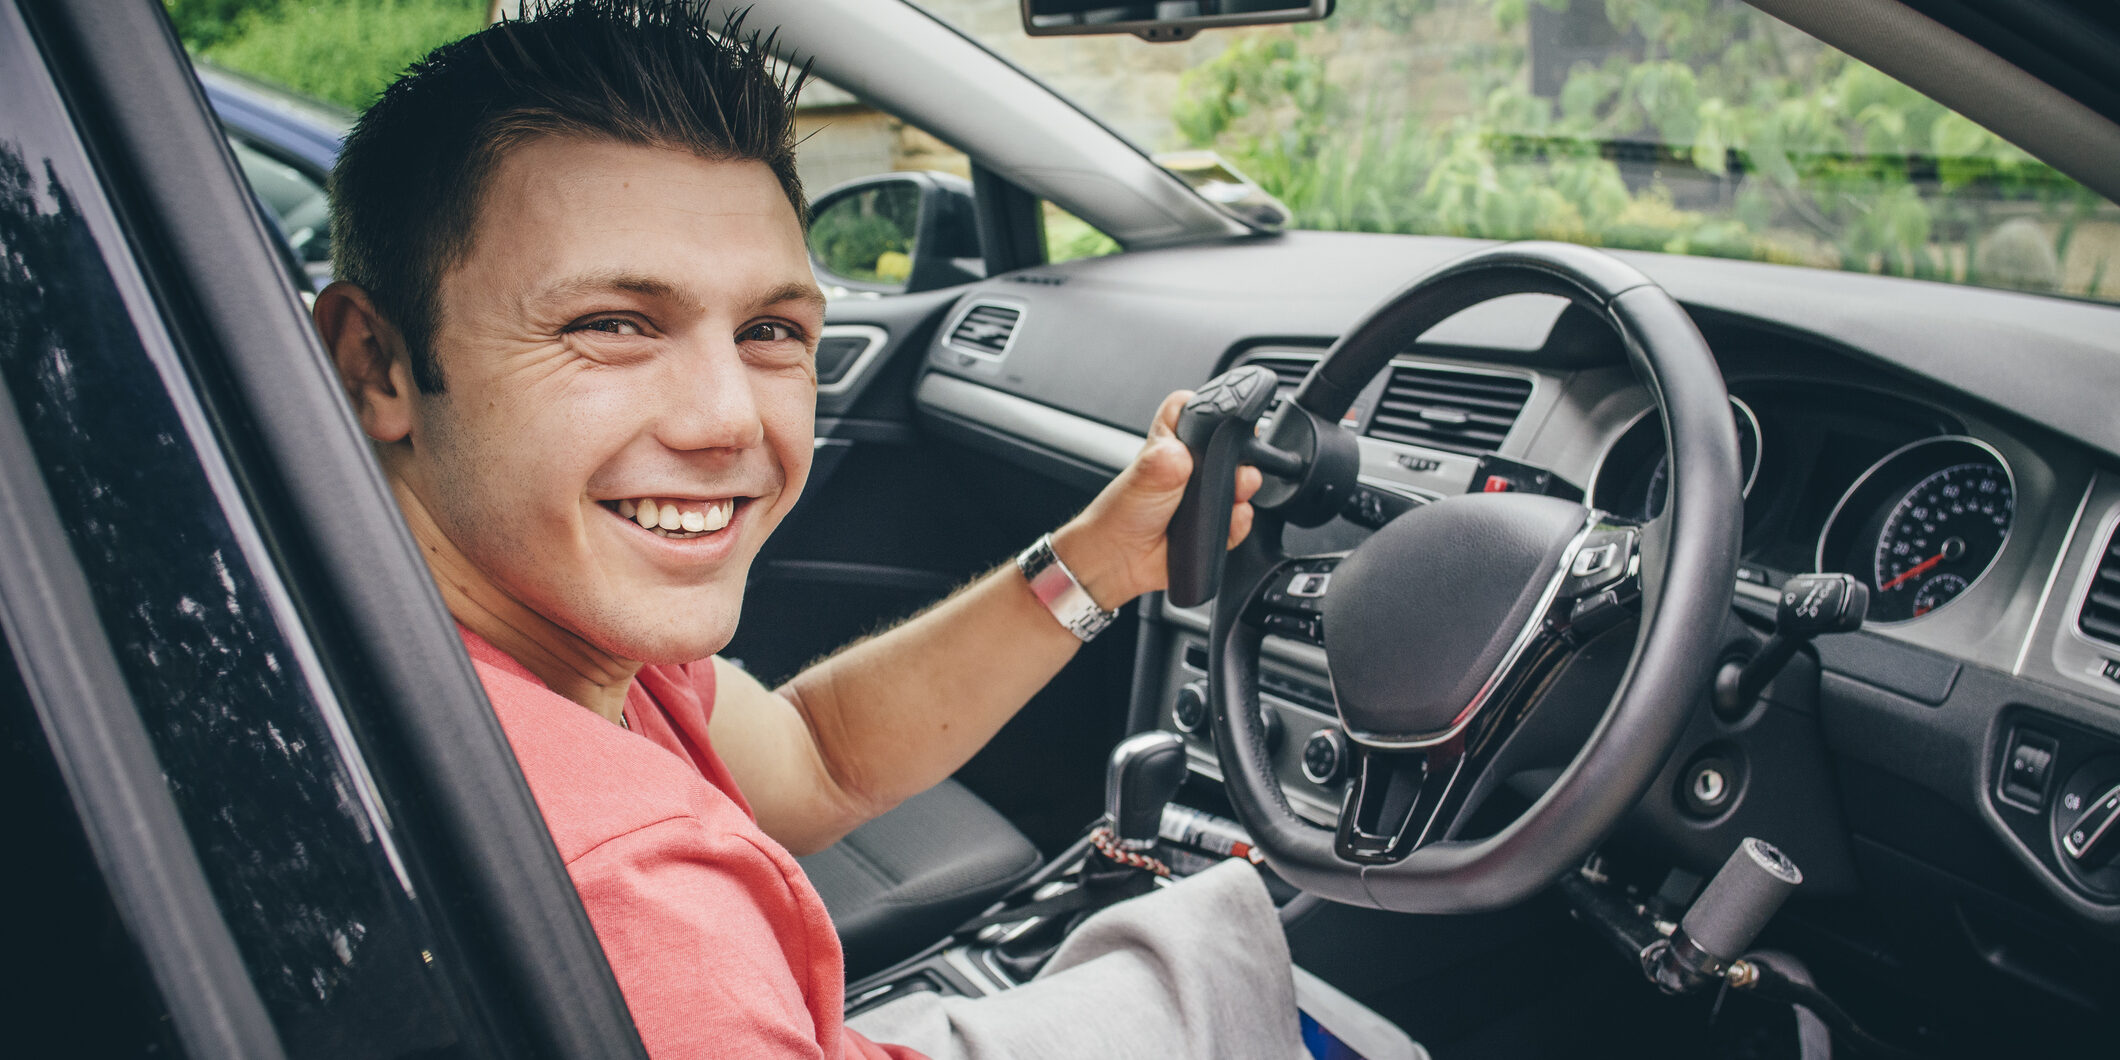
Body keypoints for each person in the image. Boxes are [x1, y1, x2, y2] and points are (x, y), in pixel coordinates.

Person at [312, 1, 1304, 1056]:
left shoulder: (468, 624)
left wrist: (1103, 560)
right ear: (377, 363)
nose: (728, 417)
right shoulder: (636, 903)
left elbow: (813, 757)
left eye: (770, 331)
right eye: (611, 324)